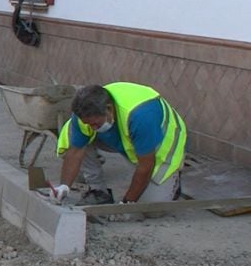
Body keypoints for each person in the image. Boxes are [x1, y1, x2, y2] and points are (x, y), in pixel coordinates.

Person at [52, 83, 186, 206]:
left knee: (152, 209)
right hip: (125, 136)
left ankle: (173, 183)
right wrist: (64, 187)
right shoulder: (84, 114)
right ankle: (98, 191)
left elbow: (146, 166)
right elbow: (75, 151)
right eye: (88, 124)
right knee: (73, 135)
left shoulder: (141, 117)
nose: (92, 128)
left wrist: (125, 203)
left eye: (95, 124)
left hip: (160, 142)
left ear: (109, 109)